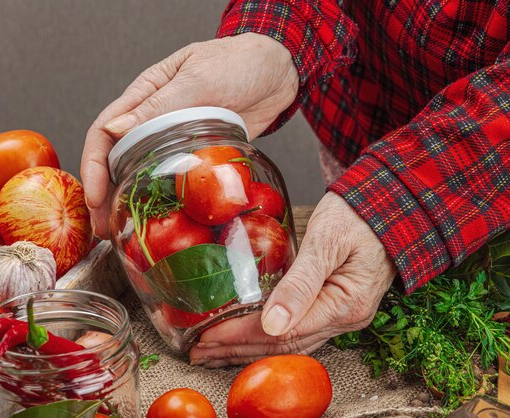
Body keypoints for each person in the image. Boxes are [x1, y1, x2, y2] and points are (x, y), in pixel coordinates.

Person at [81, 1, 510, 368]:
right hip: (365, 117)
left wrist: (401, 199)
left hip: (492, 158)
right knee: (339, 253)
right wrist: (273, 36)